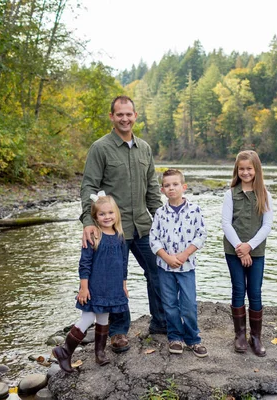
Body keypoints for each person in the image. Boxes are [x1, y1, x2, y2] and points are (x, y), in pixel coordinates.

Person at [80, 95, 166, 353]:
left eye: (129, 114)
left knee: (158, 271)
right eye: (120, 114)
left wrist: (164, 221)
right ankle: (118, 331)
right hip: (111, 230)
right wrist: (88, 221)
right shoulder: (100, 148)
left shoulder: (145, 149)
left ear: (135, 116)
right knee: (114, 279)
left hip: (143, 225)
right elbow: (89, 187)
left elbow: (152, 189)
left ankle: (161, 323)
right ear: (112, 117)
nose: (125, 119)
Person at [53, 193, 129, 372]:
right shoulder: (94, 235)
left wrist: (123, 284)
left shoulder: (119, 236)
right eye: (102, 214)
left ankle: (100, 353)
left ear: (116, 214)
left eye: (110, 212)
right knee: (87, 317)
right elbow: (84, 263)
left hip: (112, 286)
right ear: (95, 217)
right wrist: (84, 288)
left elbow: (123, 262)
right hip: (94, 286)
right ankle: (64, 351)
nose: (107, 217)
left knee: (104, 317)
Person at [149, 169, 209, 357]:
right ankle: (175, 337)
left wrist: (184, 255)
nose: (171, 188)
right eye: (167, 185)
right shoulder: (160, 213)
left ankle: (193, 339)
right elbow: (154, 238)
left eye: (175, 184)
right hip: (165, 267)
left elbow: (201, 235)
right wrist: (166, 256)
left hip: (187, 266)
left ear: (184, 187)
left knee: (189, 303)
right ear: (162, 190)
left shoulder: (194, 210)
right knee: (169, 303)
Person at [221, 150, 273, 357]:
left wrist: (249, 246)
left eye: (249, 169)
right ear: (237, 170)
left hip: (256, 251)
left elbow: (267, 225)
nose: (245, 172)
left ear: (256, 170)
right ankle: (240, 335)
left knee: (255, 291)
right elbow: (226, 223)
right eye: (241, 169)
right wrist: (240, 249)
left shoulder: (265, 195)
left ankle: (256, 337)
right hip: (233, 251)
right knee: (238, 288)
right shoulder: (230, 194)